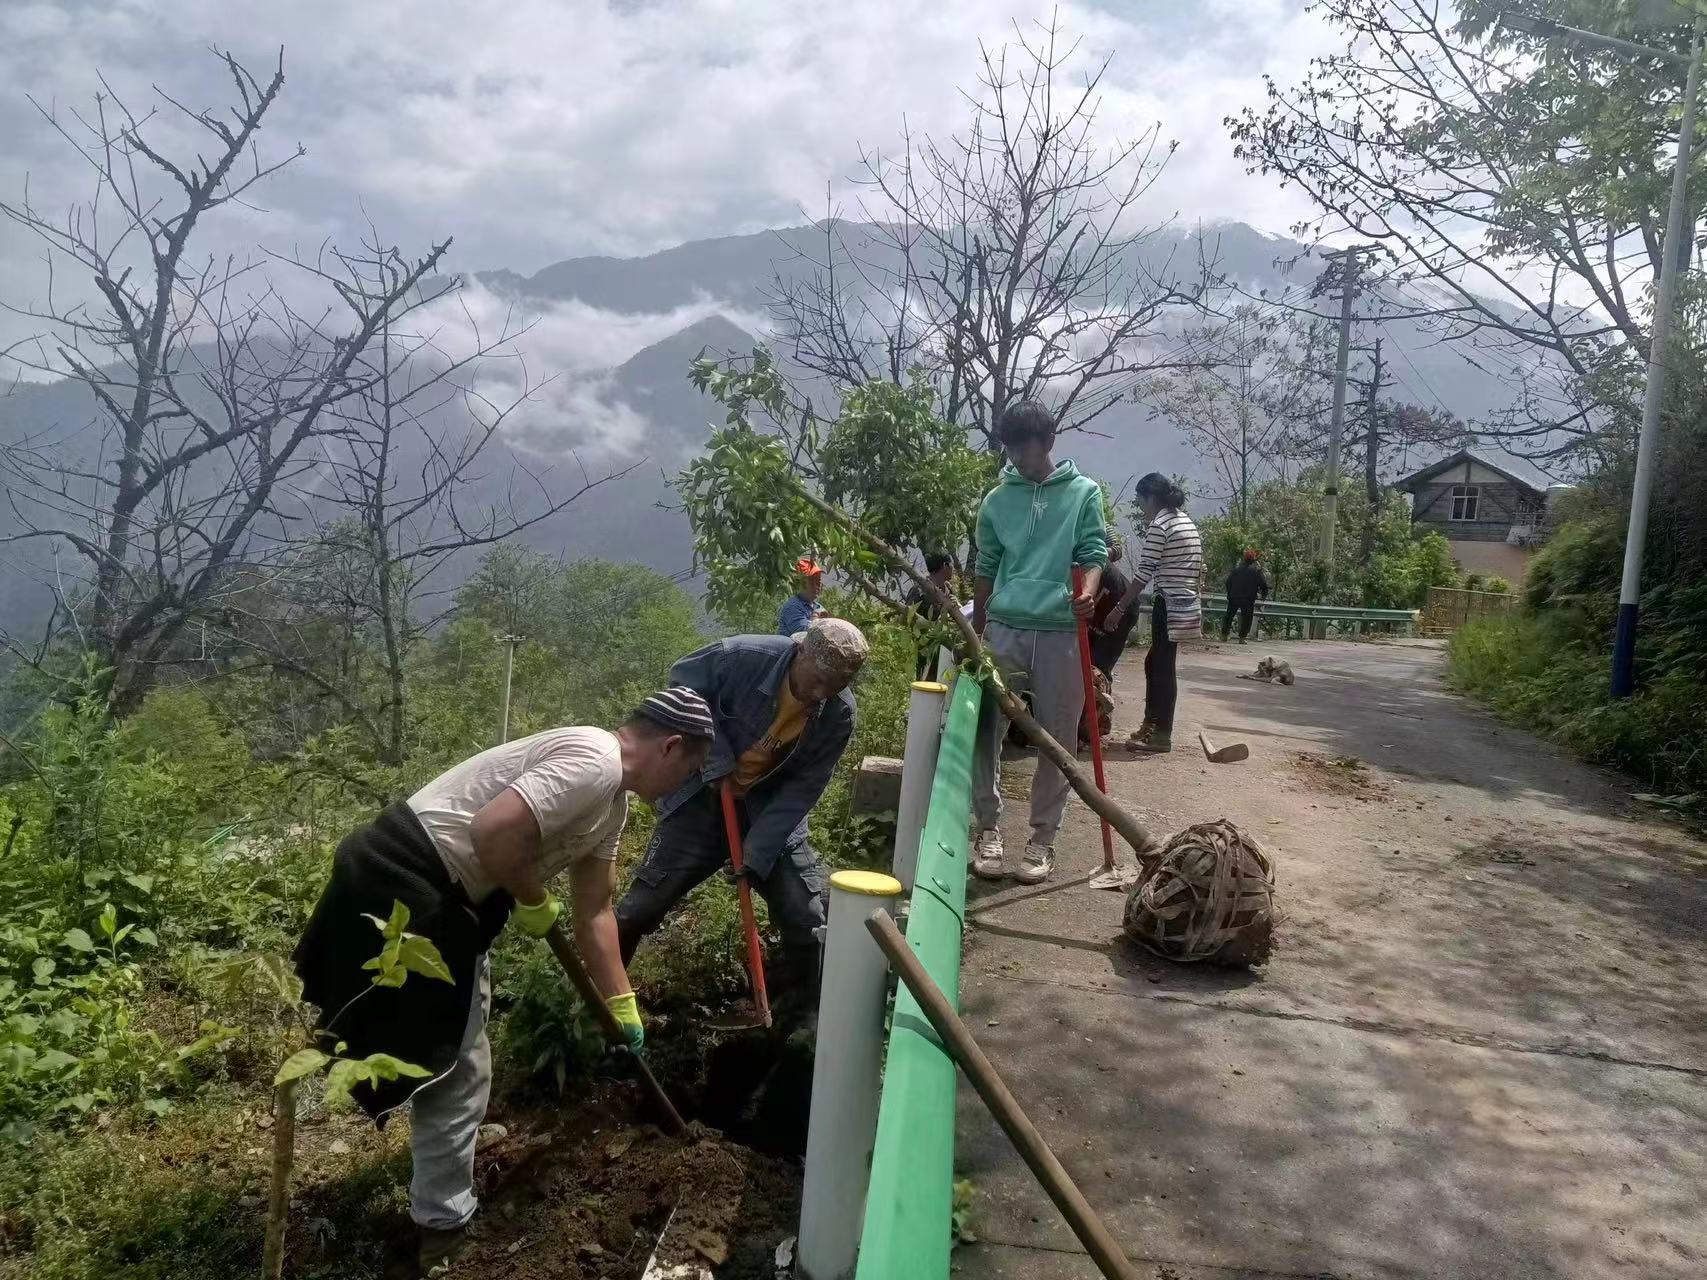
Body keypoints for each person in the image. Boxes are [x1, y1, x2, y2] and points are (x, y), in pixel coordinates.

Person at [293, 688, 715, 1275]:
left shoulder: (612, 806)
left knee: (465, 1036)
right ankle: (442, 1229)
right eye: (689, 770)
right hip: (405, 880)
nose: (682, 786)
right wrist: (533, 897)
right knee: (458, 1067)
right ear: (670, 746)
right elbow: (493, 832)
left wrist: (622, 1002)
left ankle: (446, 1158)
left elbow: (595, 911)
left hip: (450, 899)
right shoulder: (594, 760)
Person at [616, 618, 869, 1016]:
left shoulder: (838, 714)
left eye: (835, 686)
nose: (821, 693)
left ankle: (802, 1015)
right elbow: (682, 683)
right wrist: (715, 756)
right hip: (704, 799)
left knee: (804, 915)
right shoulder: (740, 657)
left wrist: (759, 852)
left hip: (770, 811)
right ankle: (604, 1000)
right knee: (640, 909)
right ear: (800, 652)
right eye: (817, 680)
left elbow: (804, 787)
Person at [969, 400, 1108, 886]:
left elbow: (1093, 552)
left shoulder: (1083, 493)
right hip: (1005, 626)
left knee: (1057, 737)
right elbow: (986, 565)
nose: (1017, 459)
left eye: (1024, 449)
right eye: (1010, 449)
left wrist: (1088, 594)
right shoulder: (996, 499)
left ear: (1048, 442)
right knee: (985, 730)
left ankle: (1042, 839)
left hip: (1060, 631)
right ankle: (988, 829)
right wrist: (978, 630)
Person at [1106, 473, 1203, 754]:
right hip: (1185, 603)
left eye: (1140, 501)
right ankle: (1152, 724)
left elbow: (1143, 575)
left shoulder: (1160, 526)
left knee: (1161, 667)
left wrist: (1119, 608)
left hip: (1168, 603)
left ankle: (1160, 733)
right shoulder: (1184, 521)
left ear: (1150, 498)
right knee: (1157, 662)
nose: (1141, 508)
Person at [1087, 531, 1138, 680]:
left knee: (1097, 670)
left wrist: (1098, 551)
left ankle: (1099, 692)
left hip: (1121, 605)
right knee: (1082, 663)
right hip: (1096, 602)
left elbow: (1117, 549)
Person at [905, 551, 957, 680]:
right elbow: (908, 618)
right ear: (945, 566)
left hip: (946, 648)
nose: (953, 569)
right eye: (951, 565)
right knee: (925, 681)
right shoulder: (919, 590)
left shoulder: (949, 589)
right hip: (925, 648)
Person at [1223, 548, 1271, 643]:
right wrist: (1263, 595)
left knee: (1229, 615)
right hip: (1248, 599)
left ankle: (1224, 635)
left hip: (1234, 597)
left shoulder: (1236, 570)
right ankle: (1242, 638)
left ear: (1244, 559)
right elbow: (1263, 584)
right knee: (1247, 618)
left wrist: (1230, 593)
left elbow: (1228, 582)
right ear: (1253, 560)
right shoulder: (1255, 572)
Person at [776, 557, 826, 636]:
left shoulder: (819, 607)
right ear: (800, 583)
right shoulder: (792, 606)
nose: (817, 586)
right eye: (812, 581)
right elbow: (805, 633)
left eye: (818, 581)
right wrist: (816, 616)